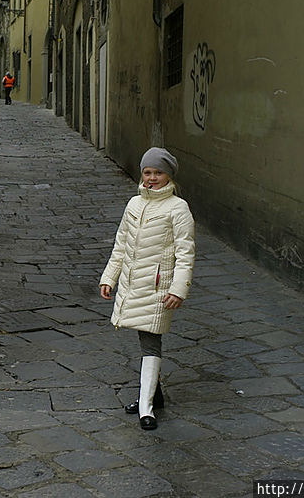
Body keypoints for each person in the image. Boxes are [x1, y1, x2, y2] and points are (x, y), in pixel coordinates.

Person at [98, 147, 195, 431]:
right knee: (144, 337)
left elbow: (186, 253)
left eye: (158, 172)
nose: (152, 178)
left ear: (169, 175)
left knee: (151, 342)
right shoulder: (133, 205)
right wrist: (109, 277)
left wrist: (178, 289)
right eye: (147, 172)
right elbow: (121, 245)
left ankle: (146, 407)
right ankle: (154, 395)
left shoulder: (178, 209)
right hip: (132, 283)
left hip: (158, 287)